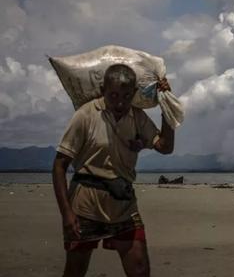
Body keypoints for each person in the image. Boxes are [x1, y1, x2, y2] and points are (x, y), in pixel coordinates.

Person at [52, 64, 175, 277]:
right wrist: (67, 214)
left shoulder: (137, 117)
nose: (120, 102)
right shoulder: (86, 115)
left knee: (140, 270)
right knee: (75, 271)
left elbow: (165, 147)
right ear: (103, 90)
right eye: (114, 95)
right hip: (85, 207)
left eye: (126, 96)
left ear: (134, 94)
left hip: (124, 205)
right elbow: (59, 166)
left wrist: (166, 105)